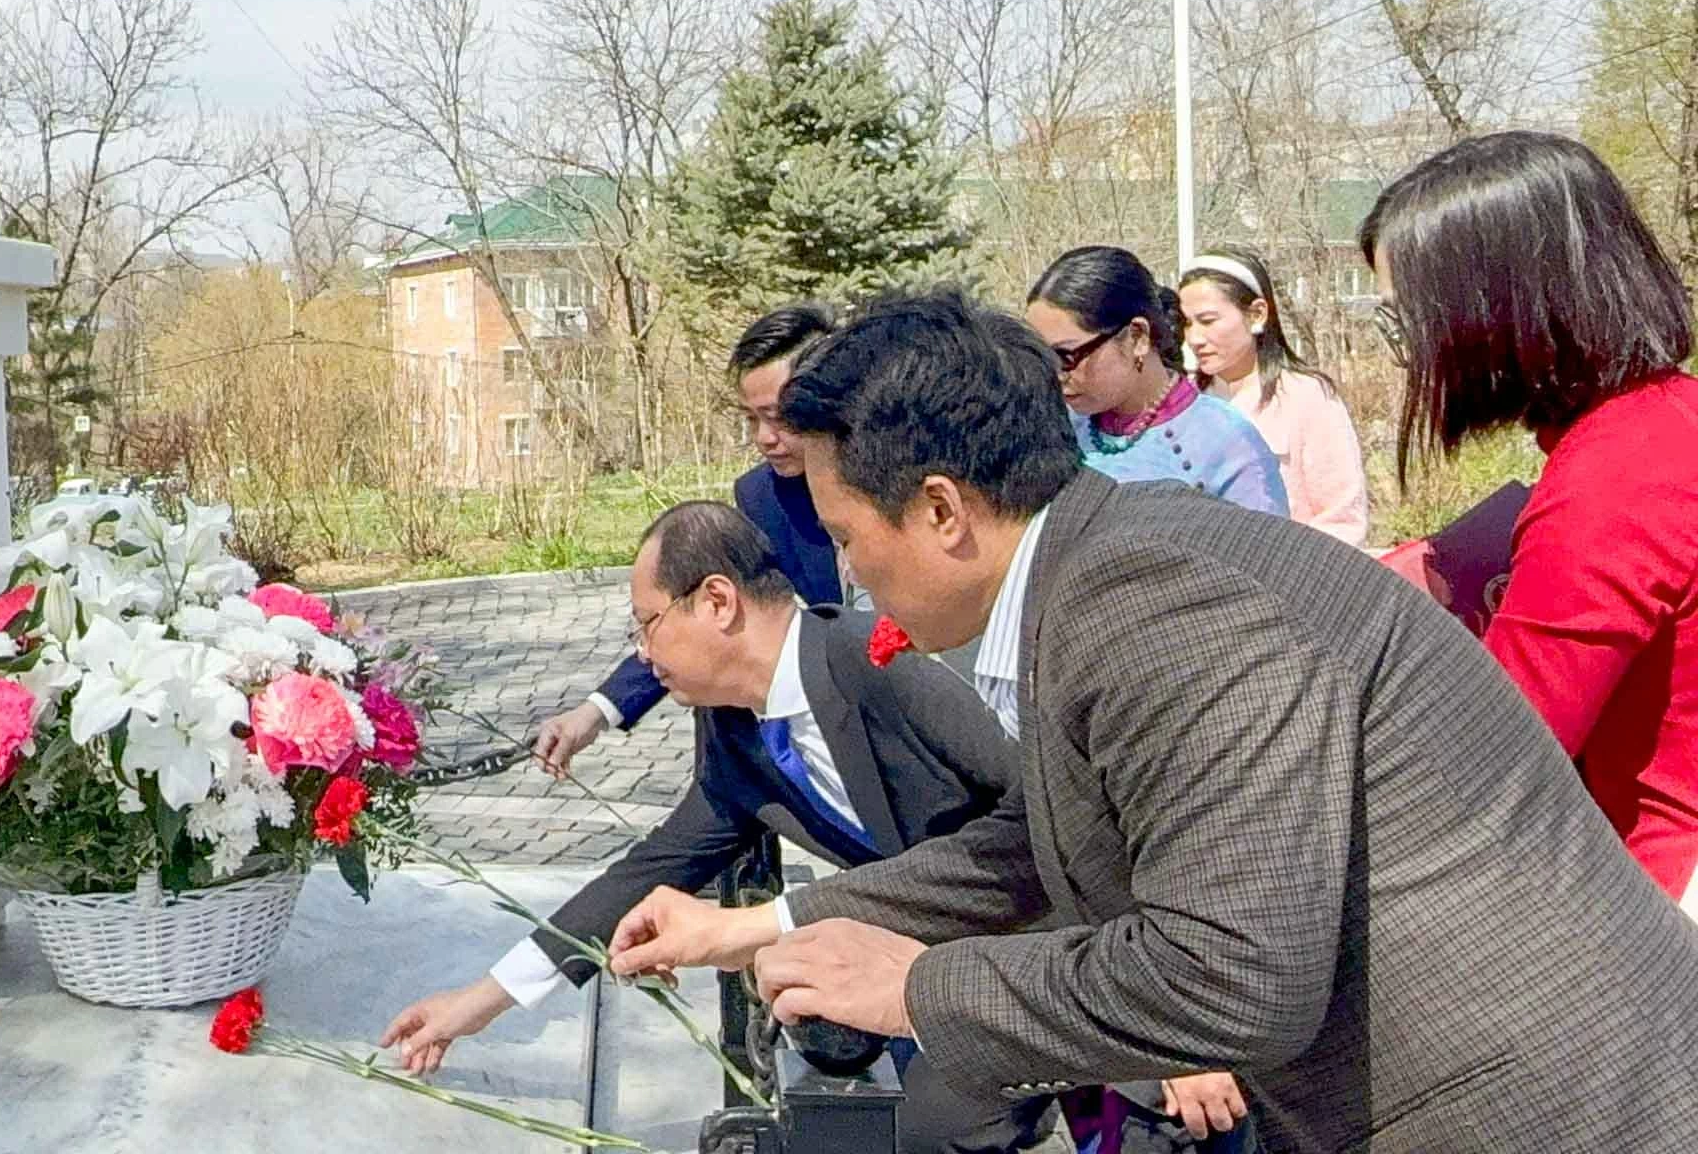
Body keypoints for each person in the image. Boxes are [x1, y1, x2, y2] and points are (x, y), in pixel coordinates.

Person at [602, 289, 1698, 1152]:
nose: (847, 572)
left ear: (940, 510)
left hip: (1540, 1103)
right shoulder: (1113, 558)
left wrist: (918, 990)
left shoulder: (1151, 608)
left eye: (847, 534)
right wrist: (773, 925)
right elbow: (1045, 838)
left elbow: (1233, 972)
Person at [385, 501, 1033, 1153]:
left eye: (649, 624)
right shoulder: (736, 734)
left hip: (1048, 950)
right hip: (929, 975)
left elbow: (1042, 809)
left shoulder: (873, 658)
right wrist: (479, 1002)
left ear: (718, 600)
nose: (642, 652)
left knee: (929, 1133)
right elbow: (645, 872)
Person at [1361, 130, 1698, 910]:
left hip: (1658, 902)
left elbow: (1494, 751)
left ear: (1498, 307)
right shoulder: (1663, 420)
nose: (1408, 354)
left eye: (1406, 321)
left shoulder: (1612, 481)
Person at [531, 306, 857, 778]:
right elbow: (689, 613)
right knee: (720, 680)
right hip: (826, 700)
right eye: (750, 419)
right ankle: (736, 847)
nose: (764, 438)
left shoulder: (893, 473)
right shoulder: (762, 495)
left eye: (779, 418)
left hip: (924, 694)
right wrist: (593, 714)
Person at [1024, 246, 1287, 518]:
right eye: (1041, 357)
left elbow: (1266, 555)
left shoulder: (1228, 445)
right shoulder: (1051, 432)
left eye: (1066, 356)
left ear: (1137, 337)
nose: (1056, 375)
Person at [1177, 249, 1370, 548]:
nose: (1195, 338)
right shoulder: (1183, 400)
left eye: (1208, 320)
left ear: (1257, 314)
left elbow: (1342, 519)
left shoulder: (1307, 397)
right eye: (1187, 323)